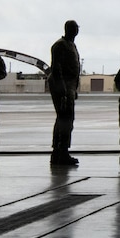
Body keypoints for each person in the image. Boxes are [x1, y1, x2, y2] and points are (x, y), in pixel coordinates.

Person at [48, 20, 82, 167]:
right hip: (62, 87)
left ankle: (60, 152)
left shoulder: (71, 45)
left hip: (69, 87)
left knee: (65, 119)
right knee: (65, 119)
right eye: (73, 28)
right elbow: (56, 68)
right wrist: (63, 89)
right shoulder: (60, 45)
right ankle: (60, 152)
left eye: (76, 29)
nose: (76, 31)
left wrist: (74, 88)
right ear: (67, 29)